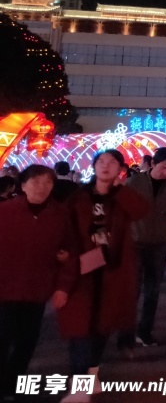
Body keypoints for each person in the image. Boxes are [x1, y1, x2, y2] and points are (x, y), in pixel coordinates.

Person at [60, 150, 149, 397]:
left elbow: (141, 210)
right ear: (94, 166)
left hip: (113, 269)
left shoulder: (122, 197)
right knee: (81, 327)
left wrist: (120, 190)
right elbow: (65, 226)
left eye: (112, 163)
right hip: (82, 269)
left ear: (120, 168)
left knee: (103, 325)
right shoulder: (79, 197)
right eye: (101, 162)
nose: (105, 166)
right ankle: (80, 387)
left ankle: (92, 372)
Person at [0, 166, 75, 401]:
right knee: (1, 340)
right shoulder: (4, 211)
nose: (41, 187)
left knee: (27, 341)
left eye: (47, 182)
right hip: (4, 289)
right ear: (22, 185)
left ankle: (11, 385)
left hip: (37, 290)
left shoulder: (60, 215)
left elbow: (69, 252)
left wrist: (63, 286)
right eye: (35, 182)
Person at [118, 145, 166, 352]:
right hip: (136, 242)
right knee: (131, 290)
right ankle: (125, 335)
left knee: (153, 291)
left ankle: (144, 332)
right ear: (152, 163)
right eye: (163, 167)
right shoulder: (135, 181)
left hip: (159, 244)